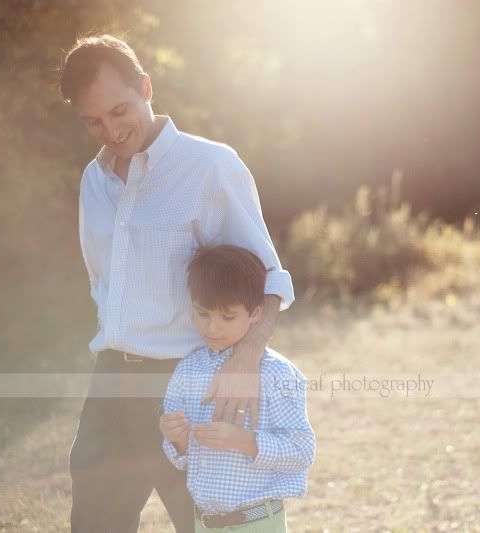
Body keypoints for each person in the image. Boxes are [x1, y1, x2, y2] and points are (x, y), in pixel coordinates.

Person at [59, 35, 294, 532]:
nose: (111, 130)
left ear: (146, 86)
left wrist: (245, 360)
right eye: (93, 122)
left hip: (191, 386)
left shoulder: (210, 166)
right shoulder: (93, 181)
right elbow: (100, 280)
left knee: (209, 525)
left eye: (120, 110)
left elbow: (269, 280)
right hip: (112, 384)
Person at [160, 244, 314, 532]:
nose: (212, 328)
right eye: (202, 313)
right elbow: (180, 458)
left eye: (227, 317)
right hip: (204, 523)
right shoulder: (187, 370)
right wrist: (177, 439)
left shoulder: (277, 373)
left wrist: (243, 441)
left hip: (257, 522)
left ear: (256, 314)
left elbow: (302, 450)